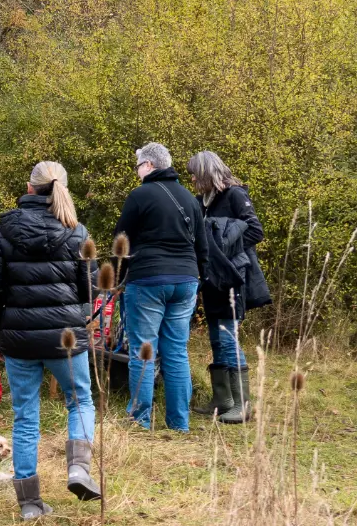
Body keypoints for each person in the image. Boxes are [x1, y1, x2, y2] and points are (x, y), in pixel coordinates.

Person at [0, 161, 98, 520]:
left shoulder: (6, 228)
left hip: (18, 337)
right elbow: (89, 288)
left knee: (25, 417)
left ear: (30, 188)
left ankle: (30, 503)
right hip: (65, 337)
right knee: (79, 402)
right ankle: (78, 468)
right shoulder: (76, 230)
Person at [113, 142, 205, 432]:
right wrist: (197, 280)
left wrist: (117, 281)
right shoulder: (190, 198)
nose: (137, 171)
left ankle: (140, 420)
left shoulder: (140, 196)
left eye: (138, 165)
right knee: (177, 351)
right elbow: (203, 246)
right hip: (186, 280)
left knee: (143, 350)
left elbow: (121, 242)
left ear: (150, 165)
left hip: (149, 279)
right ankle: (179, 423)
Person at [187, 151, 264, 423]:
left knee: (228, 336)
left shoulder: (234, 194)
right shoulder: (203, 201)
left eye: (195, 173)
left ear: (207, 172)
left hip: (231, 275)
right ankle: (223, 400)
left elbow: (255, 231)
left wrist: (223, 251)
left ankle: (243, 405)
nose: (192, 178)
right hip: (211, 278)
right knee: (216, 338)